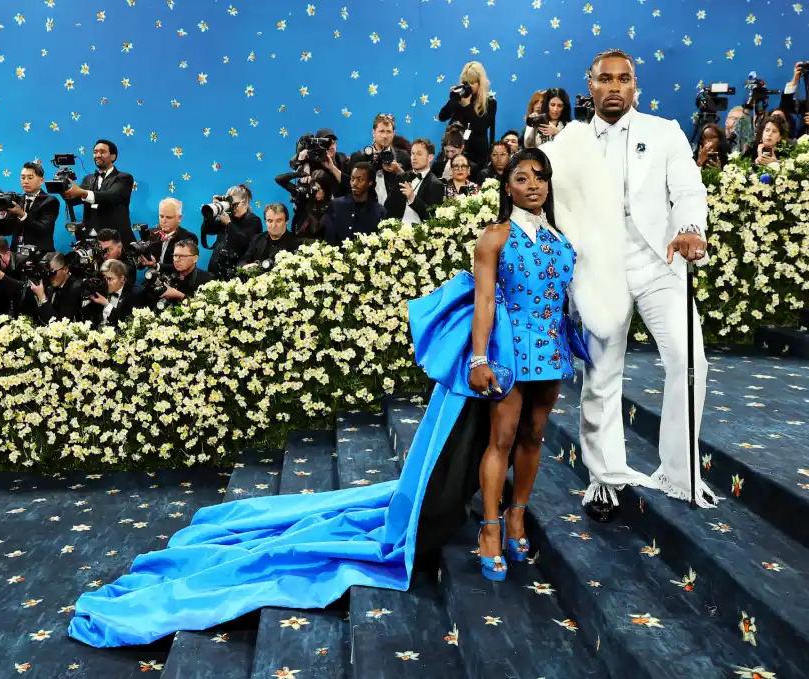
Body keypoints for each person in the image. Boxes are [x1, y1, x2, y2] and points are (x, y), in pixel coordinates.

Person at [67, 140, 620, 647]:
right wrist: (478, 357)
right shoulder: (495, 236)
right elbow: (484, 302)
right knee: (499, 440)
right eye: (523, 177)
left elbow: (566, 297)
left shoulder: (559, 240)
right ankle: (494, 530)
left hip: (549, 351)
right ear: (508, 186)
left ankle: (519, 515)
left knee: (534, 438)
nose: (534, 185)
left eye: (540, 177)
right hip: (507, 352)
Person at [552, 48, 717, 522]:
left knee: (691, 363)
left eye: (624, 79)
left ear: (634, 85)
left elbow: (688, 189)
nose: (615, 87)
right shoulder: (570, 142)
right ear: (591, 86)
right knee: (601, 377)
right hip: (600, 268)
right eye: (606, 79)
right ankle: (604, 480)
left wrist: (690, 227)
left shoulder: (662, 132)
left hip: (659, 261)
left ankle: (679, 472)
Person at [64, 140, 136, 244]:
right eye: (95, 152)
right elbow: (73, 201)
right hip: (91, 238)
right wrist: (63, 189)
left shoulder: (124, 178)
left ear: (113, 156)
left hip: (117, 239)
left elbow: (112, 196)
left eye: (102, 152)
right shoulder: (88, 179)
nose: (97, 155)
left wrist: (83, 193)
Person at [438, 62, 497, 170]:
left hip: (475, 155)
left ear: (480, 83)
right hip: (453, 151)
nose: (468, 86)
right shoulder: (460, 98)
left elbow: (480, 127)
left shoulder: (489, 102)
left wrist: (467, 106)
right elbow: (442, 117)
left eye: (472, 82)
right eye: (466, 82)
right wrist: (453, 99)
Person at [344, 114, 411, 206]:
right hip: (366, 209)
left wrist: (398, 171)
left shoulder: (403, 156)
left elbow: (412, 186)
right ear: (373, 132)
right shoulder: (359, 157)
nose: (385, 136)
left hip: (394, 211)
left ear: (393, 133)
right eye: (381, 131)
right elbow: (349, 188)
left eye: (388, 131)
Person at [203, 184, 263, 279]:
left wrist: (229, 224)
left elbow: (245, 242)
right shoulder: (227, 216)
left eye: (235, 204)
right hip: (215, 270)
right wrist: (211, 214)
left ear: (246, 203)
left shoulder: (254, 220)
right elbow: (210, 230)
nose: (233, 208)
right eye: (230, 204)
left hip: (236, 273)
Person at [323, 163, 386, 246]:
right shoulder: (335, 205)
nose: (354, 183)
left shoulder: (379, 212)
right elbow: (329, 239)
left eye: (360, 180)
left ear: (370, 182)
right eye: (352, 179)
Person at [384, 138, 444, 225]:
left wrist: (412, 198)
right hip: (395, 232)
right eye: (412, 153)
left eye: (419, 154)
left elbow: (431, 217)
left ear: (430, 158)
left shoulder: (436, 185)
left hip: (418, 235)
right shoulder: (401, 177)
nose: (414, 158)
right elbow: (388, 207)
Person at [139, 198, 199, 270]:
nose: (164, 221)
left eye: (169, 217)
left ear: (179, 218)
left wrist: (156, 266)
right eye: (161, 216)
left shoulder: (189, 238)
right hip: (151, 278)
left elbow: (183, 266)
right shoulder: (152, 233)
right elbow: (140, 267)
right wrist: (140, 260)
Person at [239, 203, 299, 270]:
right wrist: (246, 266)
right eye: (270, 221)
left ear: (286, 222)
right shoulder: (257, 239)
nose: (274, 225)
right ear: (265, 222)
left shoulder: (296, 242)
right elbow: (242, 262)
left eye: (278, 221)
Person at [31, 252, 83, 324]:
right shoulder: (48, 284)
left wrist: (42, 297)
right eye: (46, 273)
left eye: (52, 273)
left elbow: (60, 324)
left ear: (65, 269)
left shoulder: (75, 289)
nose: (50, 277)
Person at [82, 259, 134, 328]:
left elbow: (125, 323)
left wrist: (106, 304)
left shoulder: (133, 294)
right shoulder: (101, 290)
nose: (106, 283)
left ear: (122, 278)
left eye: (110, 279)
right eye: (104, 279)